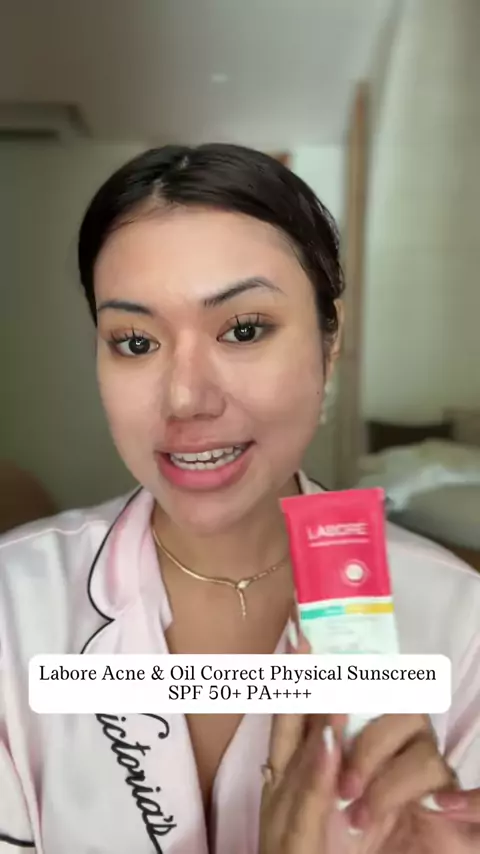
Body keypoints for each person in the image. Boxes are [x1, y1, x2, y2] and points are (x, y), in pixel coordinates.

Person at [0, 143, 479, 854]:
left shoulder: (461, 623)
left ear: (330, 339)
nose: (185, 398)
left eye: (244, 330)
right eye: (135, 342)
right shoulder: (13, 605)